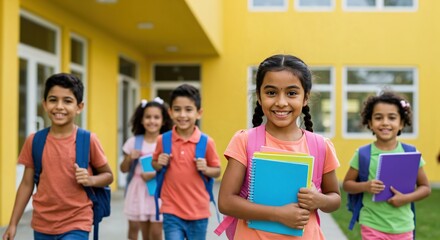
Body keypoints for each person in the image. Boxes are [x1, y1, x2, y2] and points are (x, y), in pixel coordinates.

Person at [217, 54, 341, 239]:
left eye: (291, 93)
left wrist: (319, 200)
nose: (281, 102)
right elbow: (226, 202)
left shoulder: (321, 146)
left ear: (305, 97)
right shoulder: (244, 141)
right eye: (271, 92)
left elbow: (335, 199)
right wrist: (278, 214)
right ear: (259, 96)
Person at [2, 73, 113, 240]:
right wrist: (13, 223)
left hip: (77, 221)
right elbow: (26, 184)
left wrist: (91, 180)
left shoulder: (88, 140)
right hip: (42, 223)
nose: (59, 106)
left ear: (79, 107)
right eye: (53, 100)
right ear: (45, 105)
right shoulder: (35, 141)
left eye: (67, 101)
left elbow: (108, 176)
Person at [342, 91, 431, 240]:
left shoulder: (410, 153)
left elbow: (425, 188)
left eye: (392, 117)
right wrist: (365, 186)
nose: (385, 122)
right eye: (378, 118)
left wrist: (406, 198)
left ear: (401, 123)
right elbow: (347, 185)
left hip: (403, 226)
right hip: (372, 224)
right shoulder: (363, 154)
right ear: (370, 123)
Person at [152, 84, 221, 240]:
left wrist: (206, 169)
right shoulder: (163, 140)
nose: (182, 115)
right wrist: (159, 163)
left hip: (199, 211)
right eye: (177, 109)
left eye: (188, 110)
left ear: (199, 113)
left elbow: (217, 171)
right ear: (170, 112)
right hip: (171, 210)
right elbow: (154, 164)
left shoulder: (206, 142)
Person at [120, 97, 172, 240]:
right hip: (138, 189)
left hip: (159, 190)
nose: (152, 121)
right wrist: (129, 158)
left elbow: (173, 168)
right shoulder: (133, 142)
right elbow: (123, 169)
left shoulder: (167, 142)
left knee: (156, 232)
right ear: (141, 120)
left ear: (163, 120)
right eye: (148, 117)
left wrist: (154, 174)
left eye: (156, 117)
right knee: (138, 229)